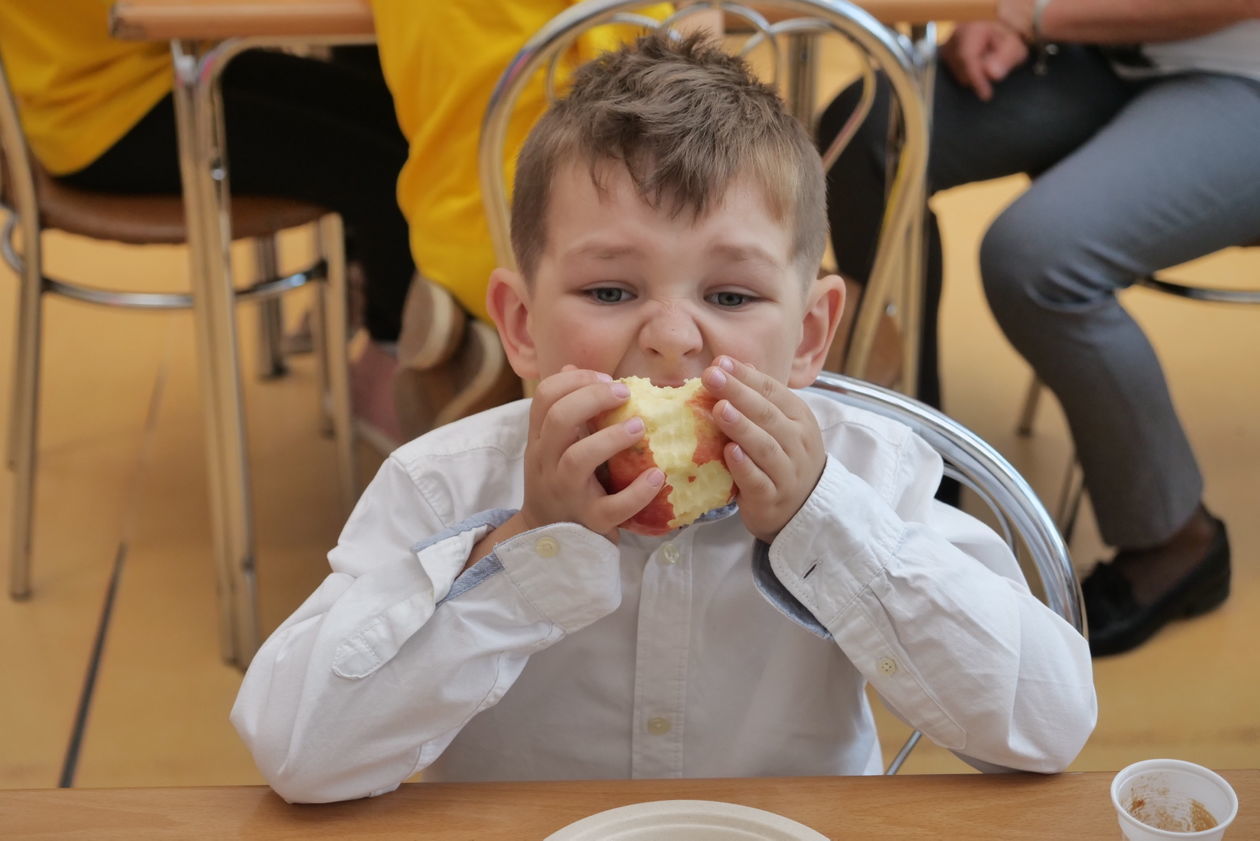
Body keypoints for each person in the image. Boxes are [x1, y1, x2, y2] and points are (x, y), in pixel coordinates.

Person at [230, 33, 1095, 804]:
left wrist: (826, 523)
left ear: (809, 334)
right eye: (611, 290)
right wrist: (521, 549)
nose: (673, 338)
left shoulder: (869, 470)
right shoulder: (444, 484)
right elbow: (300, 754)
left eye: (732, 295)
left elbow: (1048, 725)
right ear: (523, 325)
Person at [817, 2, 1260, 656]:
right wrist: (997, 17)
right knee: (869, 129)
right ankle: (920, 469)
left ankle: (1176, 539)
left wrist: (1036, 16)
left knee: (1037, 260)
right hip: (1116, 52)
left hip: (1242, 76)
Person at [1, 1, 415, 447]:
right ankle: (391, 368)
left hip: (153, 69)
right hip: (105, 111)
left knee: (393, 117)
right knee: (383, 175)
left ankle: (383, 308)